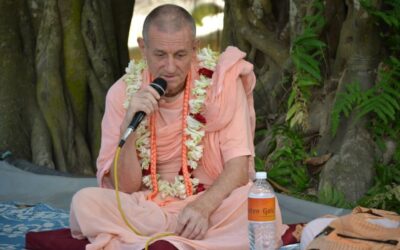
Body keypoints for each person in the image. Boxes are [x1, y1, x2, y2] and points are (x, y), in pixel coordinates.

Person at [69, 4, 287, 249]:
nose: (170, 67)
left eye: (180, 55)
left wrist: (203, 207)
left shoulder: (221, 84)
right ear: (143, 48)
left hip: (210, 205)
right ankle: (184, 239)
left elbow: (238, 167)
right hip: (147, 207)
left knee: (258, 206)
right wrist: (128, 125)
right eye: (160, 55)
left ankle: (155, 240)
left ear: (194, 48)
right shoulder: (121, 93)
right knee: (84, 203)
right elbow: (125, 188)